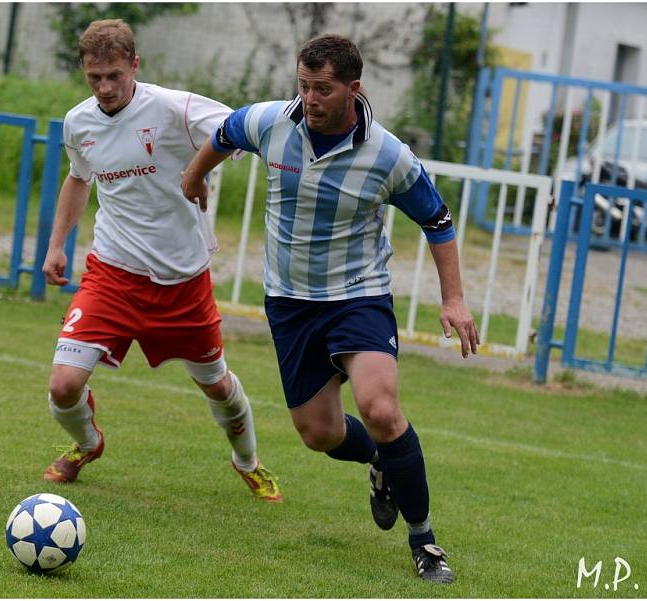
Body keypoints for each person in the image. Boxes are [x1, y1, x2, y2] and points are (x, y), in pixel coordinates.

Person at [181, 34, 479, 583]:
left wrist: (454, 299)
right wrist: (195, 176)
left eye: (323, 89)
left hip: (357, 296)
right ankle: (379, 464)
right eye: (304, 86)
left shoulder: (388, 156)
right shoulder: (271, 123)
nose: (311, 99)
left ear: (352, 89)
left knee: (380, 408)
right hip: (291, 303)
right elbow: (222, 133)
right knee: (317, 433)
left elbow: (437, 220)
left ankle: (426, 542)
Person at [41, 19, 281, 504]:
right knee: (64, 385)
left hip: (182, 280)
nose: (105, 88)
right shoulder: (79, 121)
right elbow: (78, 178)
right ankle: (88, 445)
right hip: (112, 272)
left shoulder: (176, 108)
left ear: (135, 65)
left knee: (217, 386)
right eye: (94, 78)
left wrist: (196, 171)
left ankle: (247, 462)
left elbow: (240, 127)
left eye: (114, 75)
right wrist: (56, 244)